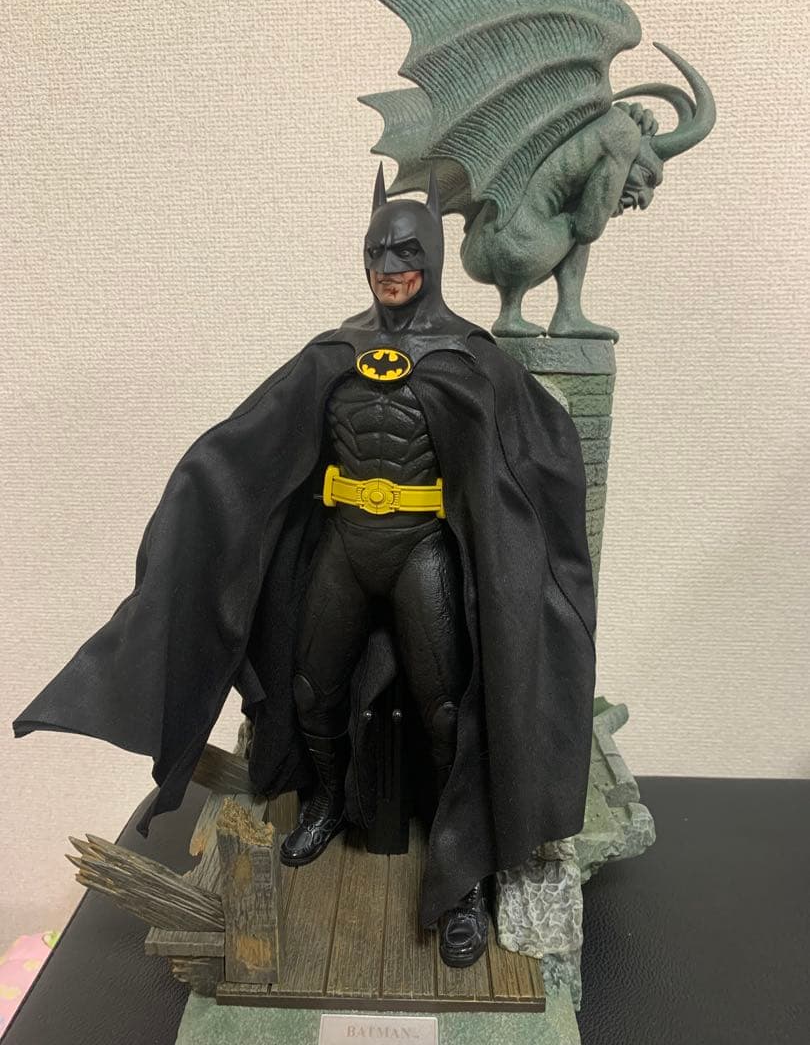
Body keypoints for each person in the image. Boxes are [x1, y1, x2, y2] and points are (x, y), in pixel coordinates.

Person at [15, 166, 596, 970]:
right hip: (346, 546)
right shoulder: (334, 352)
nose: (390, 267)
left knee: (445, 711)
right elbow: (248, 442)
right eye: (376, 252)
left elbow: (541, 453)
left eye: (406, 251)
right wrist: (197, 492)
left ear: (432, 254)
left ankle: (461, 871)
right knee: (310, 688)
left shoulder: (470, 358)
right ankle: (326, 800)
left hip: (421, 550)